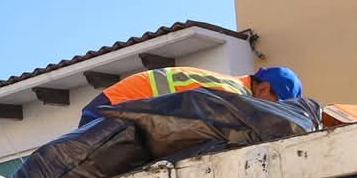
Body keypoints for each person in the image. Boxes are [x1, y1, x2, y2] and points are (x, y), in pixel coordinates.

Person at [78, 64, 303, 125]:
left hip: (117, 106)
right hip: (110, 109)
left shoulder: (230, 87)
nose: (272, 112)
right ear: (263, 89)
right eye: (275, 105)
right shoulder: (231, 94)